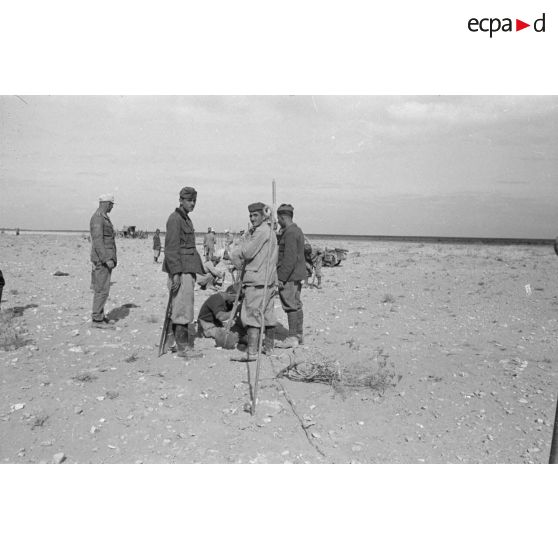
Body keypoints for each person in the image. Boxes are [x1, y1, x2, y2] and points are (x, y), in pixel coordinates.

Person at [230, 202, 277, 360]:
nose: (252, 218)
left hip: (257, 280)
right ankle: (269, 347)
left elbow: (248, 252)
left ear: (264, 216)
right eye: (250, 215)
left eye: (255, 215)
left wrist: (243, 242)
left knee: (253, 315)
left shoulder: (260, 232)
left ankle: (252, 352)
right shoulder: (269, 231)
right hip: (268, 279)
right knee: (268, 313)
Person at [163, 186, 205, 359]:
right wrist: (176, 273)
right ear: (180, 200)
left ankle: (175, 343)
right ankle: (182, 348)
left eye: (194, 200)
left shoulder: (185, 218)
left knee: (183, 306)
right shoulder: (175, 219)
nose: (192, 203)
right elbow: (171, 249)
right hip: (181, 271)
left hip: (187, 269)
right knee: (181, 308)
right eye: (189, 200)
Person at [275, 203, 306, 347]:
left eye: (278, 218)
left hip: (290, 276)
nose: (277, 221)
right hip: (296, 275)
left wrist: (281, 278)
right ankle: (298, 334)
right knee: (296, 304)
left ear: (282, 217)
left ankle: (293, 337)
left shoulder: (291, 233)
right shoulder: (294, 230)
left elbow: (289, 258)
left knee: (290, 306)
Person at [90, 194, 117, 328]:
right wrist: (106, 259)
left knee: (103, 288)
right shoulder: (98, 218)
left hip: (104, 260)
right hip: (102, 261)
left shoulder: (103, 218)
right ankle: (97, 320)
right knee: (101, 289)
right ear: (106, 203)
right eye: (112, 204)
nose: (112, 207)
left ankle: (100, 315)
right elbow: (98, 241)